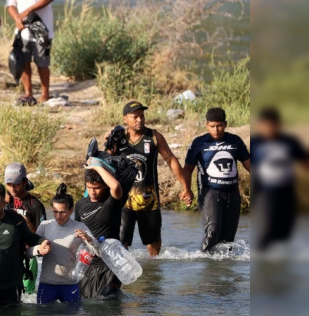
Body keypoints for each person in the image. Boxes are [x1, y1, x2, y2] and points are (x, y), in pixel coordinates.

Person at [107, 101, 194, 257]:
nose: (139, 120)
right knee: (121, 241)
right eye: (135, 117)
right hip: (123, 201)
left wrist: (185, 187)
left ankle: (153, 273)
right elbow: (107, 163)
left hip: (149, 200)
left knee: (153, 243)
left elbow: (171, 160)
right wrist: (109, 144)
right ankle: (121, 276)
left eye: (142, 116)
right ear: (125, 119)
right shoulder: (117, 138)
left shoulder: (154, 136)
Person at [184, 107, 251, 252]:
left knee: (228, 240)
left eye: (219, 125)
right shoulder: (199, 143)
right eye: (212, 126)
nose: (216, 129)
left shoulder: (235, 141)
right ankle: (206, 264)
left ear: (225, 124)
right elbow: (188, 169)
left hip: (233, 194)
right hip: (209, 193)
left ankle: (223, 272)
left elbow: (249, 164)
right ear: (206, 124)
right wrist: (187, 189)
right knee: (213, 230)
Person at [250, 107, 309, 250]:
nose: (269, 128)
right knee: (267, 231)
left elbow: (304, 160)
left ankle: (280, 266)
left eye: (272, 124)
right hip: (264, 194)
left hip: (287, 192)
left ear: (278, 125)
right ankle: (262, 262)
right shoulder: (255, 143)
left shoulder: (289, 141)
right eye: (266, 125)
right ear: (260, 125)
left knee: (285, 233)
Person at [30, 183, 94, 305]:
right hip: (47, 284)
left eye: (63, 212)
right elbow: (28, 253)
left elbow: (97, 251)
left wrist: (89, 240)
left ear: (71, 210)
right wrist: (39, 250)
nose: (58, 216)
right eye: (55, 211)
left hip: (70, 285)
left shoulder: (80, 227)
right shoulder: (44, 226)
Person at [74, 159, 125, 298]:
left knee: (107, 303)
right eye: (89, 187)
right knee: (85, 306)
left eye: (96, 187)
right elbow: (77, 233)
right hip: (87, 264)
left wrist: (97, 167)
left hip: (110, 265)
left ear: (105, 186)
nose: (93, 192)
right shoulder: (80, 205)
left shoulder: (111, 203)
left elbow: (116, 186)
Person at [6, 0, 55, 105]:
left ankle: (45, 93)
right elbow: (10, 5)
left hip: (43, 31)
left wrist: (28, 11)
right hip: (23, 31)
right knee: (23, 62)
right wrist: (17, 18)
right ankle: (28, 93)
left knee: (42, 64)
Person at [4, 162, 46, 294]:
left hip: (28, 255)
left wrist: (27, 224)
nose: (13, 188)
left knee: (26, 293)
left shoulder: (35, 205)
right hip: (8, 252)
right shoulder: (4, 202)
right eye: (9, 185)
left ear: (24, 182)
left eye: (16, 184)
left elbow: (41, 236)